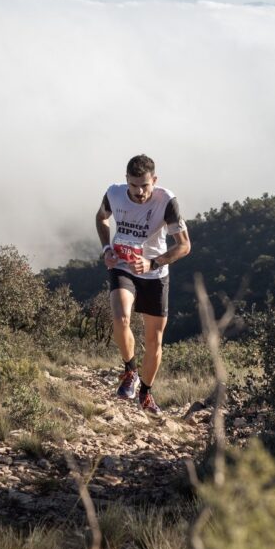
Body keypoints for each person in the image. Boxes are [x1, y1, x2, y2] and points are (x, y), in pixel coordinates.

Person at [95, 154, 191, 414]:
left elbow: (184, 246)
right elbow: (101, 217)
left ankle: (146, 393)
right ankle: (130, 370)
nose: (139, 192)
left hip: (154, 273)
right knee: (121, 318)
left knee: (154, 342)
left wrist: (153, 263)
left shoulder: (166, 201)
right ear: (126, 180)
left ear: (154, 181)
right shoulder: (114, 194)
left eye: (145, 186)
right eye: (134, 185)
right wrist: (106, 248)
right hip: (122, 266)